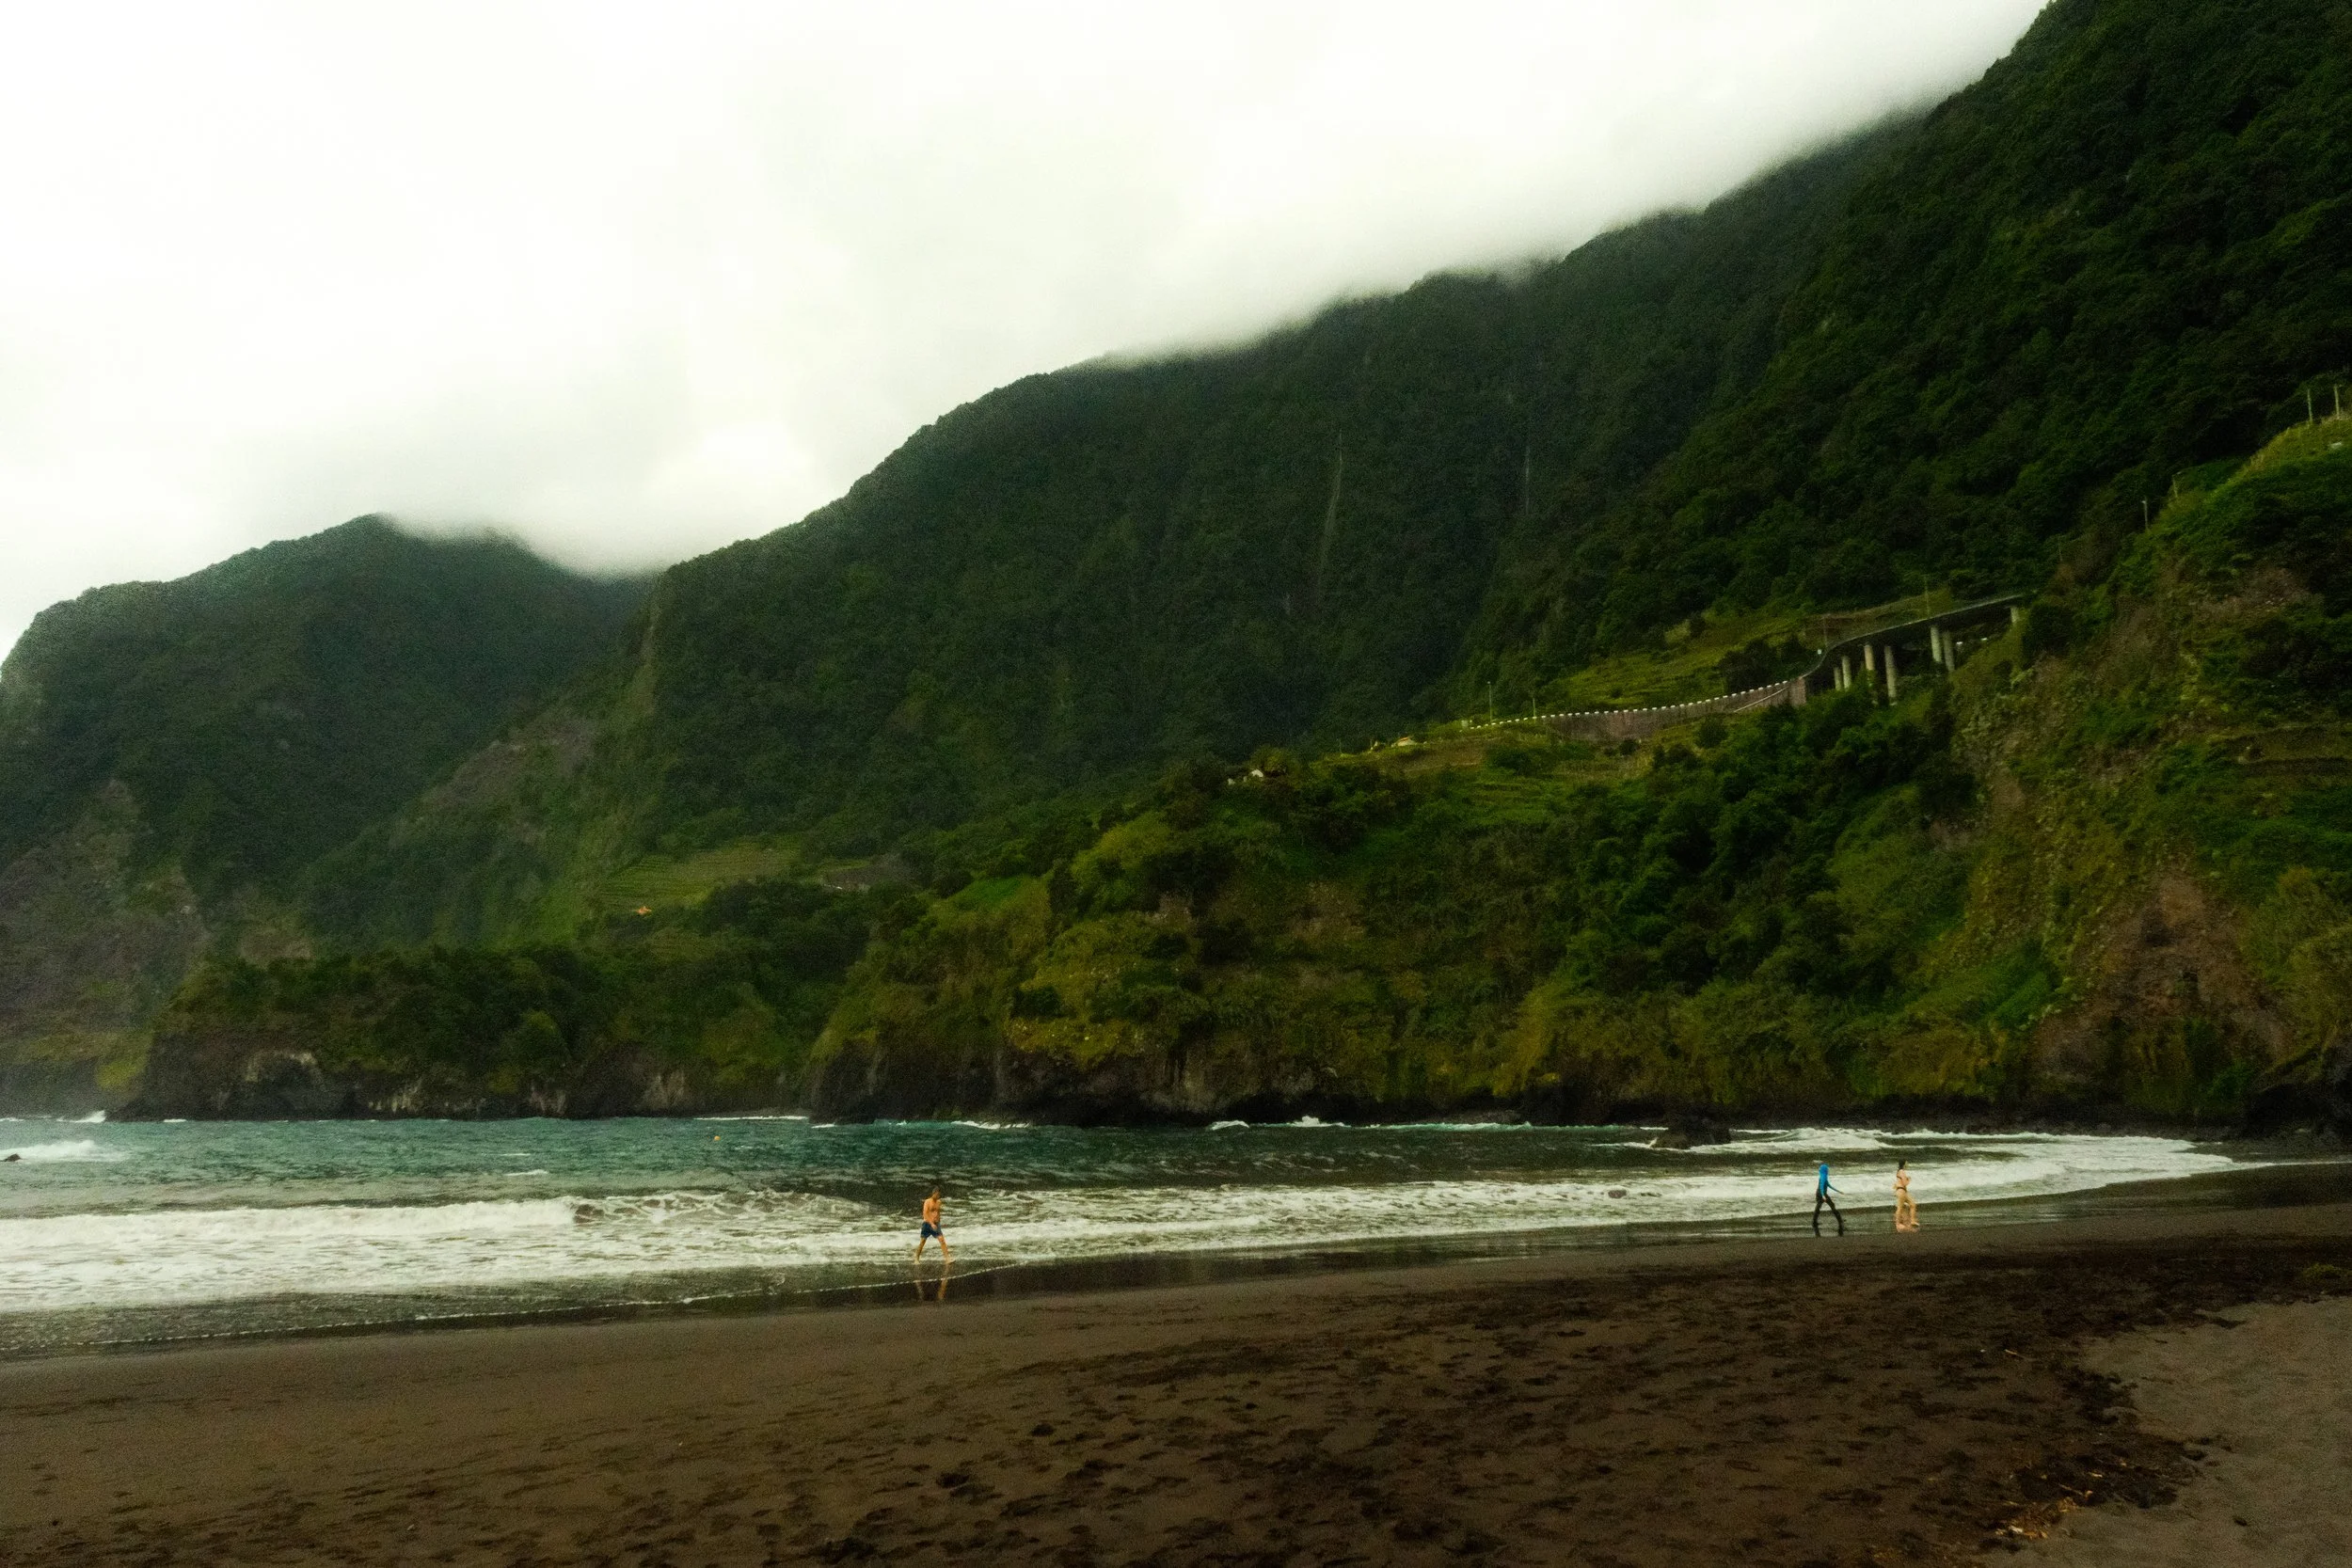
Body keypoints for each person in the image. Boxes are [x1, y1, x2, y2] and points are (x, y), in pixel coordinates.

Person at [914, 1186, 950, 1263]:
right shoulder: (927, 1201)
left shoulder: (939, 1202)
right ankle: (916, 1258)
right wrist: (931, 1223)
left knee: (942, 1240)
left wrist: (938, 1222)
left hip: (936, 1224)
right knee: (923, 1241)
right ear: (933, 1194)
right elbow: (925, 1213)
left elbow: (938, 1212)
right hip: (927, 1224)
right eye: (937, 1195)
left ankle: (947, 1259)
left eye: (939, 1195)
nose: (938, 1196)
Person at [1812, 1162, 1843, 1236]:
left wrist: (1838, 1191)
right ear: (1825, 1170)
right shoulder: (1823, 1176)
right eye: (1827, 1169)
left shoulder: (1823, 1175)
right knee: (1831, 1205)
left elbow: (1829, 1185)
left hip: (1820, 1193)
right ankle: (1840, 1220)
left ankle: (1814, 1222)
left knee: (1819, 1207)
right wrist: (1823, 1195)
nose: (1828, 1170)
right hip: (1821, 1194)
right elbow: (1822, 1186)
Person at [1894, 1161, 1918, 1232]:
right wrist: (1909, 1180)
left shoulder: (1901, 1172)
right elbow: (1905, 1183)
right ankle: (1898, 1224)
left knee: (1912, 1204)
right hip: (1901, 1190)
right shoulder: (1901, 1171)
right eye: (1906, 1163)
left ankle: (1913, 1221)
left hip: (1903, 1191)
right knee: (1900, 1207)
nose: (1907, 1164)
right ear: (1904, 1164)